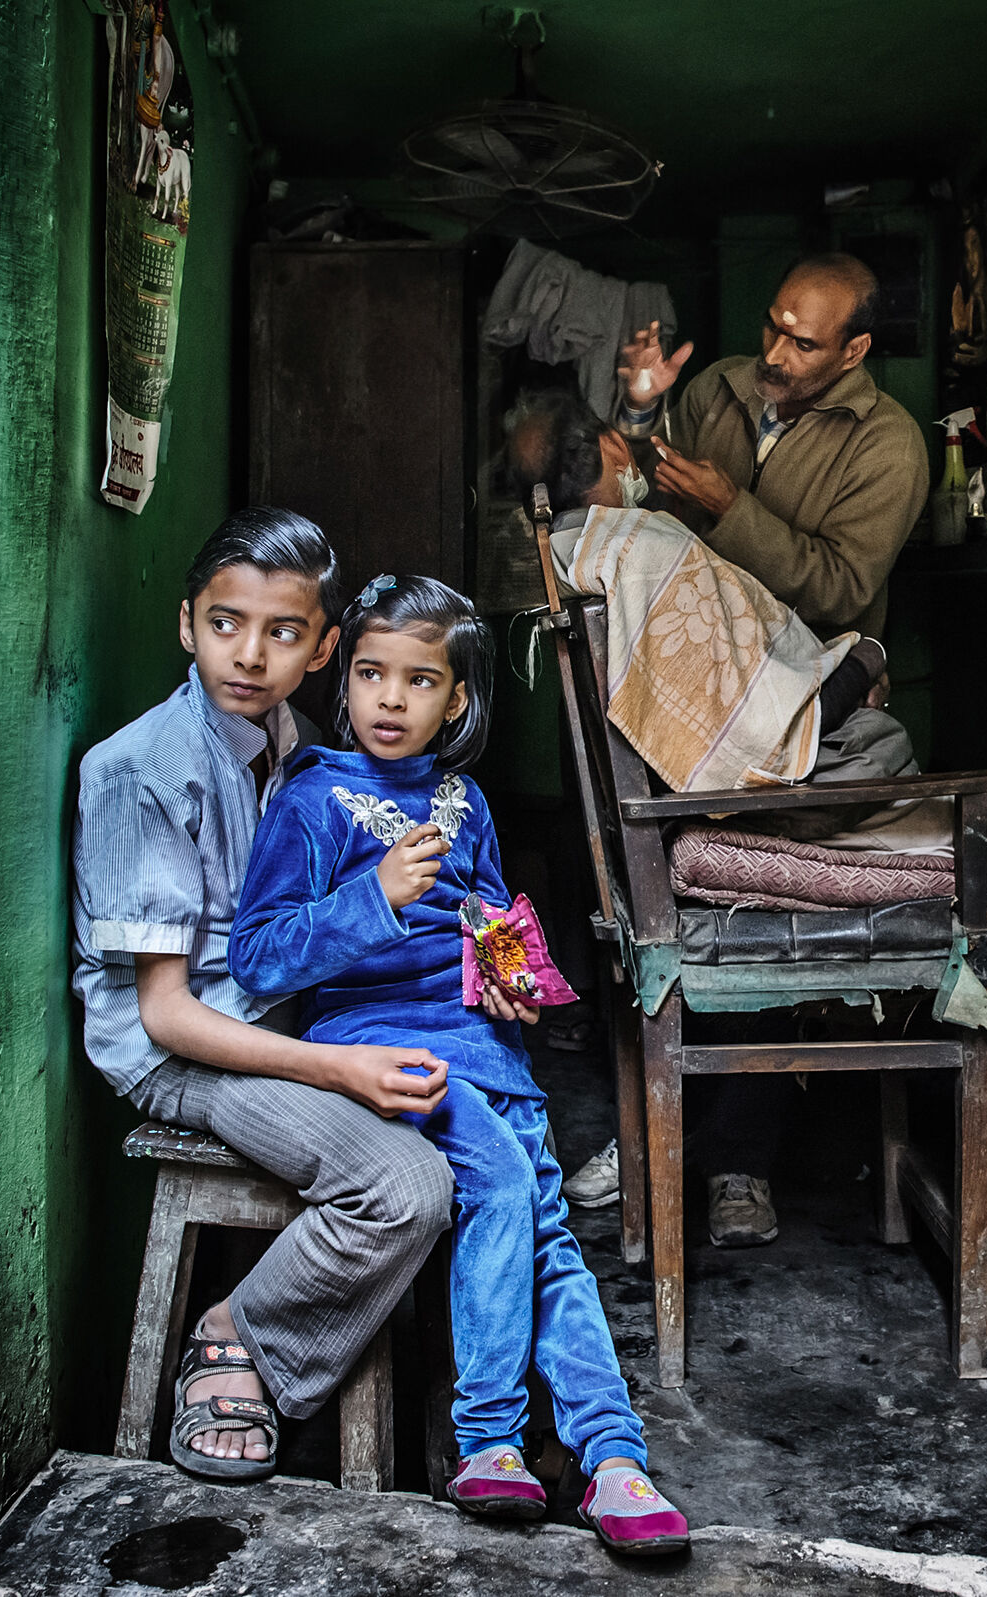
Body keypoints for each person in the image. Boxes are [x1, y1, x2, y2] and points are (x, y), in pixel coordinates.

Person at [594, 255, 987, 1246]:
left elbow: (836, 587)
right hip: (785, 775)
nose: (774, 354)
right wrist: (647, 417)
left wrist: (730, 508)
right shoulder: (717, 393)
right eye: (772, 325)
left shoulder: (889, 446)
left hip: (799, 753)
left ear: (857, 349)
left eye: (802, 342)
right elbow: (640, 506)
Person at [227, 574, 687, 1555]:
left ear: (457, 698)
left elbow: (485, 920)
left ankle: (614, 1456)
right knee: (508, 1188)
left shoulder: (463, 799)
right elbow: (258, 956)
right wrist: (378, 896)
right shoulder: (313, 797)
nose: (391, 699)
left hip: (490, 1054)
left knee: (551, 1237)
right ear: (343, 679)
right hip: (384, 1053)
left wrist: (510, 975)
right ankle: (489, 1438)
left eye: (420, 680)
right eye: (370, 674)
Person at [72, 510, 453, 1482]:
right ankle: (237, 1333)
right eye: (225, 623)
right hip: (183, 1054)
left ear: (323, 649)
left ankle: (481, 1406)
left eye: (283, 632)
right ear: (186, 623)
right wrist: (338, 1068)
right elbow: (166, 1014)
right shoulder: (140, 772)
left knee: (478, 1117)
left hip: (276, 1015)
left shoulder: (298, 744)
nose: (249, 654)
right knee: (404, 1187)